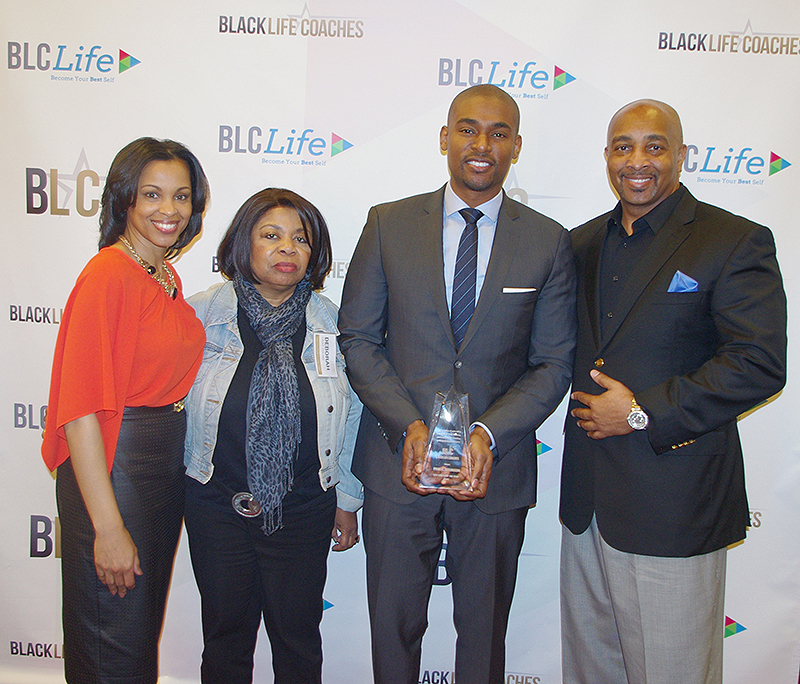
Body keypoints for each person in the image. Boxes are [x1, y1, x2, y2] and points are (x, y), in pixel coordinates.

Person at [338, 84, 577, 684]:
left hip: (495, 472)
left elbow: (553, 363)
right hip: (399, 464)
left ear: (516, 146)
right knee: (392, 632)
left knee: (484, 634)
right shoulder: (388, 224)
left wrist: (488, 434)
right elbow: (358, 340)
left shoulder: (548, 241)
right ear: (444, 138)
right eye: (468, 129)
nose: (482, 144)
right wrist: (408, 423)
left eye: (499, 133)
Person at [560, 99, 787, 684]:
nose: (638, 160)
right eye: (623, 146)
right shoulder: (579, 244)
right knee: (592, 673)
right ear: (607, 157)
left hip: (675, 505)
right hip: (586, 507)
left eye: (654, 146)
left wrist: (640, 413)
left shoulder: (733, 240)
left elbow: (759, 364)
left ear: (682, 155)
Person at [41, 137, 209, 683]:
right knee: (110, 643)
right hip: (116, 472)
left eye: (182, 196)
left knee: (133, 642)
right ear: (125, 201)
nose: (170, 210)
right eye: (152, 195)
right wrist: (107, 526)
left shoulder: (162, 277)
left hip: (157, 472)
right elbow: (81, 410)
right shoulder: (108, 275)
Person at [183, 187, 364, 684]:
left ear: (314, 254)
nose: (287, 248)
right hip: (216, 505)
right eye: (272, 235)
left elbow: (354, 416)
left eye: (300, 239)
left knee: (298, 638)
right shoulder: (198, 315)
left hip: (305, 507)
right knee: (225, 638)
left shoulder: (334, 324)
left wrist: (347, 497)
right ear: (244, 243)